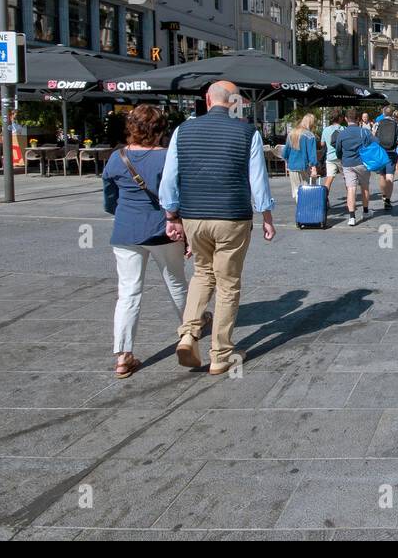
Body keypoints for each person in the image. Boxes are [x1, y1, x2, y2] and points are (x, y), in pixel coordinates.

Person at [159, 81, 276, 374]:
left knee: (202, 273)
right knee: (228, 283)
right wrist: (266, 216)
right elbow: (258, 180)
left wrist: (171, 215)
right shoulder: (247, 133)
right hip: (232, 216)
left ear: (207, 99)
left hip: (194, 216)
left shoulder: (183, 131)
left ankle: (188, 334)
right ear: (235, 102)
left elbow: (169, 177)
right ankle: (220, 353)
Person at [103, 105, 195, 378]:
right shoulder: (168, 157)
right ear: (161, 129)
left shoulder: (117, 157)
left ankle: (123, 355)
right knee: (176, 283)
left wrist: (125, 214)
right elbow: (180, 194)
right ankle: (189, 332)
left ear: (131, 128)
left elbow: (109, 199)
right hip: (163, 230)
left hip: (126, 232)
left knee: (128, 293)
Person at [334, 107, 376, 224]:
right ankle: (365, 211)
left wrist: (343, 158)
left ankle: (352, 217)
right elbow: (375, 143)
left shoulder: (341, 134)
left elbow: (338, 151)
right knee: (364, 187)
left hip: (348, 164)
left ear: (346, 119)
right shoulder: (365, 132)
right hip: (362, 163)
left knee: (351, 189)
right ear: (358, 119)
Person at [374, 105, 398, 210]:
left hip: (381, 153)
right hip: (391, 152)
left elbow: (373, 136)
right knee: (390, 176)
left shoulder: (378, 123)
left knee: (382, 176)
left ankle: (383, 195)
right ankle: (387, 200)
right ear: (392, 114)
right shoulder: (395, 124)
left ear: (383, 113)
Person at [283, 113, 319, 202]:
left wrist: (287, 161)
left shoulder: (292, 133)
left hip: (292, 166)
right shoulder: (310, 135)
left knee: (296, 190)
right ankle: (306, 208)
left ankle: (299, 207)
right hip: (304, 166)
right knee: (307, 188)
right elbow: (312, 154)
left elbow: (285, 152)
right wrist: (314, 167)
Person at [320, 111, 344, 193]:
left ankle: (324, 197)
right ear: (339, 118)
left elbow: (322, 144)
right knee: (347, 178)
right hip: (341, 157)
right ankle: (350, 197)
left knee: (329, 178)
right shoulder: (343, 129)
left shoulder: (326, 130)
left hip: (330, 157)